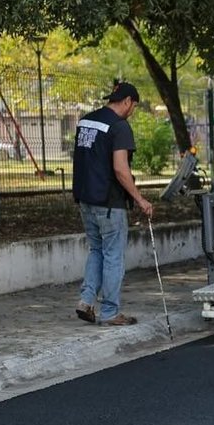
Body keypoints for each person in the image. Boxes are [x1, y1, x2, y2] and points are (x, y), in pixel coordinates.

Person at [72, 82, 153, 327]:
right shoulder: (119, 127)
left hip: (86, 199)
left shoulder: (86, 122)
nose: (133, 111)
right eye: (135, 106)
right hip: (109, 202)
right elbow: (120, 169)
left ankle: (86, 301)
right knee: (113, 256)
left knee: (97, 250)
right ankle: (110, 312)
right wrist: (140, 199)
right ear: (127, 101)